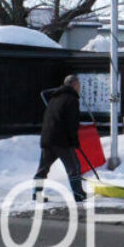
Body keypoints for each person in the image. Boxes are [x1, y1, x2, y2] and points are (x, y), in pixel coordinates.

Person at [33, 74, 86, 202]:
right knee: (74, 167)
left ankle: (36, 194)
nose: (80, 88)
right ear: (73, 84)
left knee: (43, 168)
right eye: (79, 85)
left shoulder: (54, 98)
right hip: (61, 140)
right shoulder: (71, 99)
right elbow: (71, 123)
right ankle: (78, 194)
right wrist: (74, 141)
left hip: (47, 138)